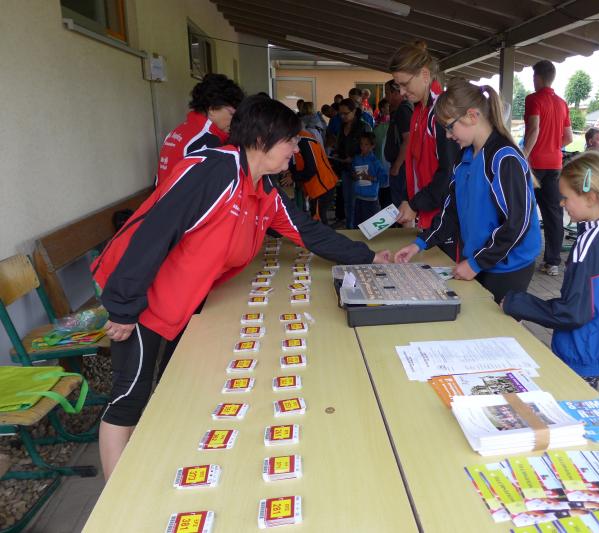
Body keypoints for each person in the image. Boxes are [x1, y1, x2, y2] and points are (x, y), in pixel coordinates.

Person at [92, 95, 391, 480]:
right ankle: (116, 499)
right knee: (128, 398)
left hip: (186, 299)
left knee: (173, 385)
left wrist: (369, 257)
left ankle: (158, 464)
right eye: (290, 141)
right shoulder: (213, 170)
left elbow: (306, 231)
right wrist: (123, 306)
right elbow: (154, 232)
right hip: (142, 296)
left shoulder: (263, 188)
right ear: (262, 139)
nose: (296, 149)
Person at [394, 79, 540, 303]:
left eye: (450, 127)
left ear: (472, 116)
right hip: (481, 261)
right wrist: (419, 244)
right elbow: (450, 211)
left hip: (508, 267)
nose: (448, 136)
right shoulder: (464, 158)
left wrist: (476, 263)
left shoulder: (504, 158)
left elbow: (517, 223)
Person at [502, 151, 599, 390]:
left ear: (591, 198)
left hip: (582, 349)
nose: (561, 204)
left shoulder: (588, 245)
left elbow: (573, 312)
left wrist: (516, 303)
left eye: (566, 198)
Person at [389, 40, 461, 258]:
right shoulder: (420, 110)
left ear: (425, 75)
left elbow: (449, 173)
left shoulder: (440, 111)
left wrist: (415, 203)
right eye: (398, 86)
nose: (402, 92)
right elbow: (416, 166)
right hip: (429, 216)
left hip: (446, 220)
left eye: (405, 84)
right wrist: (410, 201)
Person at [523, 60, 573, 276]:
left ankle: (522, 256)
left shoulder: (533, 99)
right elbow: (568, 137)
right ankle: (552, 262)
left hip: (534, 164)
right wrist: (552, 146)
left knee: (524, 210)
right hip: (555, 164)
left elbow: (534, 129)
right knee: (553, 214)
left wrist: (523, 156)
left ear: (538, 77)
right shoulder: (562, 103)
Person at [156, 73, 243, 185]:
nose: (235, 121)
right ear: (212, 109)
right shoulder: (207, 142)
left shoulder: (176, 132)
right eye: (232, 114)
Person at [287, 129, 339, 226]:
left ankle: (326, 236)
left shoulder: (303, 140)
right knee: (317, 220)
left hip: (322, 188)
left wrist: (293, 177)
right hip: (319, 187)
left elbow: (311, 169)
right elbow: (299, 163)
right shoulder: (301, 138)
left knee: (319, 222)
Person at [336, 98, 373, 228]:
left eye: (345, 113)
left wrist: (354, 158)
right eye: (340, 114)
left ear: (354, 111)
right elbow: (341, 145)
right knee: (348, 201)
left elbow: (369, 149)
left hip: (361, 168)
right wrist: (338, 155)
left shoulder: (363, 127)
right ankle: (350, 227)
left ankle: (360, 228)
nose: (342, 116)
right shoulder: (342, 126)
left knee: (361, 200)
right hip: (346, 168)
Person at [383, 79, 413, 209]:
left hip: (402, 167)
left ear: (396, 93)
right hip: (400, 165)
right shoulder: (398, 110)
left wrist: (397, 165)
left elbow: (408, 139)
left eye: (387, 93)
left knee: (400, 204)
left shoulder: (403, 110)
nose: (386, 97)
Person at [352, 132, 387, 225]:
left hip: (371, 200)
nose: (363, 147)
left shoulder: (375, 162)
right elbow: (353, 174)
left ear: (372, 146)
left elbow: (384, 179)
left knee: (370, 226)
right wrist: (354, 176)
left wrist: (371, 178)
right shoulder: (357, 159)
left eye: (366, 144)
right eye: (361, 144)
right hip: (358, 198)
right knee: (358, 226)